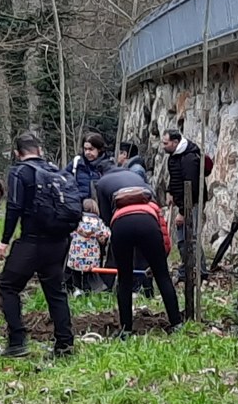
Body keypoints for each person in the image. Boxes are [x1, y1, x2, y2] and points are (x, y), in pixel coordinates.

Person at [0, 132, 76, 358]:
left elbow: (14, 208)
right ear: (39, 150)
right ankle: (65, 345)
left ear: (17, 154)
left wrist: (4, 241)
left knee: (8, 286)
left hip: (32, 242)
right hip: (59, 241)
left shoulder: (20, 172)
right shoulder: (56, 171)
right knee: (55, 291)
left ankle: (17, 341)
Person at [107, 176, 181, 335]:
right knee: (162, 276)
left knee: (124, 279)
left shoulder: (118, 209)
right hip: (147, 224)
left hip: (120, 226)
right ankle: (176, 323)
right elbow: (164, 234)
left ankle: (126, 329)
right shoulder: (152, 206)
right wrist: (162, 257)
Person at [161, 128, 205, 281]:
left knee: (187, 238)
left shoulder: (189, 159)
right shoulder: (174, 156)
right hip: (182, 202)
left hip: (191, 203)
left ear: (175, 142)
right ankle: (195, 269)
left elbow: (191, 187)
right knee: (187, 238)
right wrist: (169, 191)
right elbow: (175, 178)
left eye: (165, 143)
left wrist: (183, 212)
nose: (163, 146)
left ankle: (194, 270)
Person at [66, 198, 109, 293]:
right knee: (88, 272)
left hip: (76, 252)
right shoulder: (98, 221)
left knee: (75, 271)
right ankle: (87, 289)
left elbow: (69, 232)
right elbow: (106, 233)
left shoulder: (78, 220)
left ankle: (77, 289)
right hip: (91, 253)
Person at [67, 132, 112, 199]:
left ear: (99, 149)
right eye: (85, 149)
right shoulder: (77, 163)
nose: (87, 152)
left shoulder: (108, 166)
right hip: (78, 204)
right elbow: (64, 178)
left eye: (91, 149)